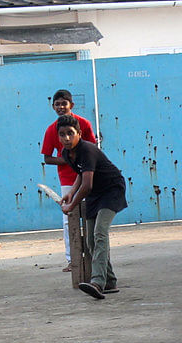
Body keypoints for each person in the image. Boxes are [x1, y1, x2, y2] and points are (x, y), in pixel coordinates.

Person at [58, 114, 126, 300]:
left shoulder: (87, 150)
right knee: (90, 242)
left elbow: (87, 185)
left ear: (79, 133)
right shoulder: (66, 153)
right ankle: (110, 281)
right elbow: (81, 174)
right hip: (95, 194)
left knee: (99, 233)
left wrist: (72, 205)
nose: (66, 138)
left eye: (70, 134)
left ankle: (97, 282)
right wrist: (71, 192)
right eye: (62, 135)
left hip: (111, 190)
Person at [41, 89, 97, 271]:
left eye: (64, 104)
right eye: (57, 104)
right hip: (67, 179)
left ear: (71, 105)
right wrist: (68, 160)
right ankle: (72, 260)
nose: (60, 107)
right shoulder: (51, 130)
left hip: (88, 175)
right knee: (69, 218)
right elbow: (47, 158)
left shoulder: (84, 124)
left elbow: (93, 149)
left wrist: (82, 162)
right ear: (53, 107)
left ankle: (93, 256)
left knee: (91, 215)